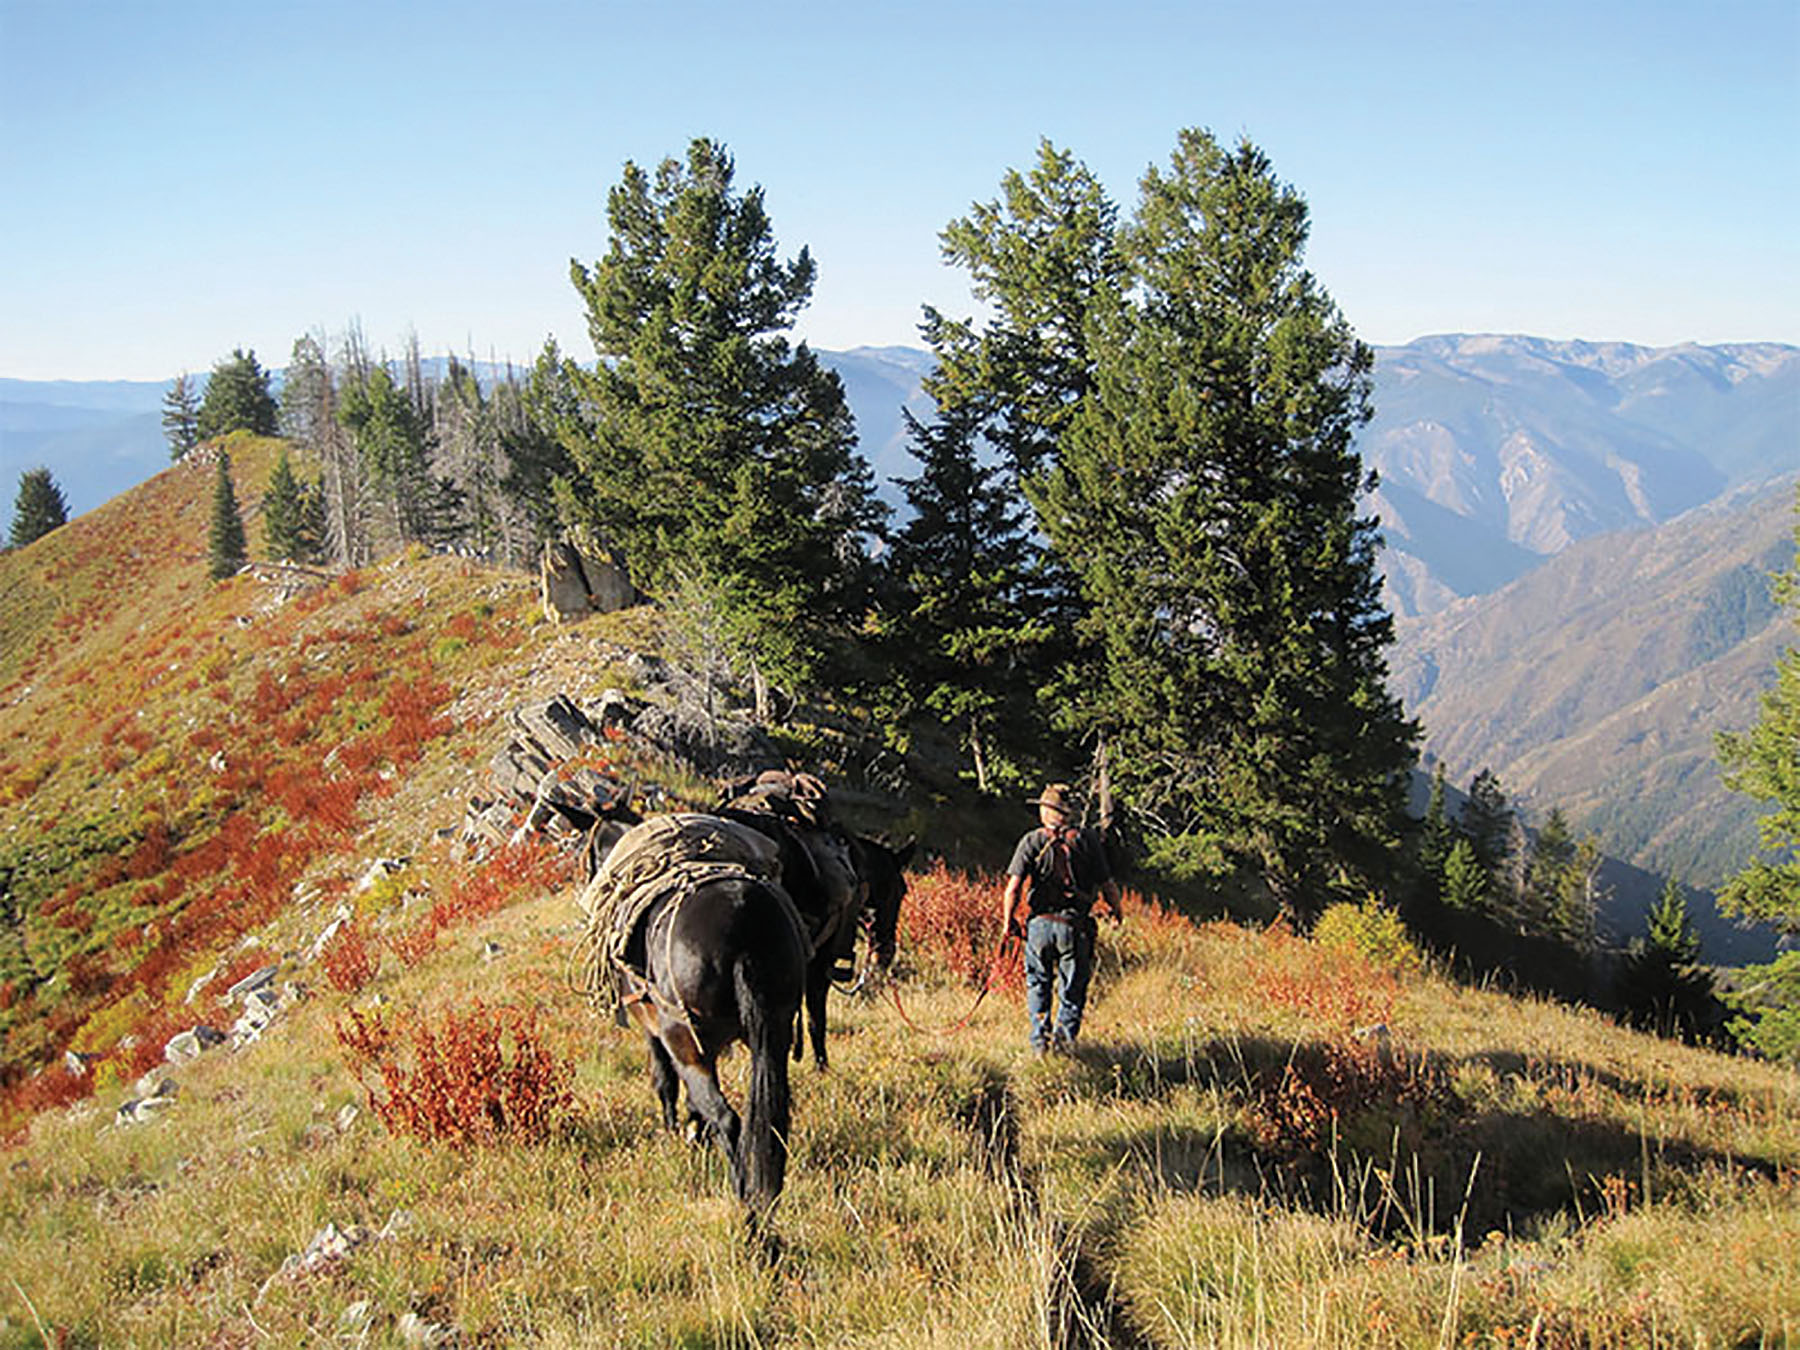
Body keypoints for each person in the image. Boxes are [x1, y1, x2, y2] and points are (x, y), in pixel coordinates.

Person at [1000, 783, 1122, 1053]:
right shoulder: (1088, 840)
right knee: (1072, 990)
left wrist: (1008, 923)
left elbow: (1013, 889)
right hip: (1074, 926)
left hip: (1039, 926)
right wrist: (1117, 910)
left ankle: (1040, 1043)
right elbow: (1107, 884)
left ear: (1046, 811)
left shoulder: (1031, 841)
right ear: (1067, 813)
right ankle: (1064, 1047)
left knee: (1038, 984)